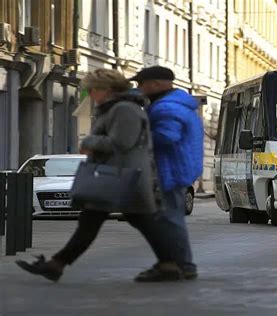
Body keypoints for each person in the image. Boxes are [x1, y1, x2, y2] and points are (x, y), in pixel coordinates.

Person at [16, 69, 172, 282]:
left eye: (92, 89)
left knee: (132, 222)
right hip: (114, 177)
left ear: (106, 89)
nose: (90, 94)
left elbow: (122, 143)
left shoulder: (124, 109)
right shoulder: (113, 108)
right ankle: (57, 264)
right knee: (97, 222)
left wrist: (89, 143)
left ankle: (170, 264)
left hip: (122, 177)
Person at [129, 66, 203, 282]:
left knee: (171, 218)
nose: (139, 88)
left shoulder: (166, 108)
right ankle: (176, 263)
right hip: (179, 166)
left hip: (170, 168)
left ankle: (182, 265)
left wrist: (138, 136)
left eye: (142, 84)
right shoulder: (175, 103)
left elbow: (166, 136)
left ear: (157, 84)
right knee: (169, 217)